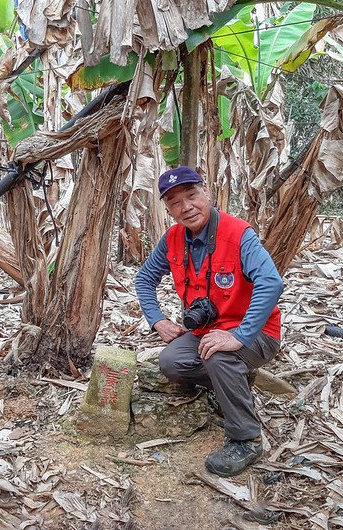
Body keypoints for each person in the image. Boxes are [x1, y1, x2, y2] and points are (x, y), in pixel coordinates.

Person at [134, 165, 283, 477]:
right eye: (175, 202)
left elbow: (271, 282)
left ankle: (246, 439)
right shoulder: (172, 238)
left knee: (219, 354)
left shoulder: (239, 233)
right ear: (168, 209)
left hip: (256, 332)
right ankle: (235, 382)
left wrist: (239, 336)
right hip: (207, 329)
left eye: (191, 195)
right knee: (171, 362)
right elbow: (145, 278)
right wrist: (157, 320)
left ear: (207, 193)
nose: (186, 207)